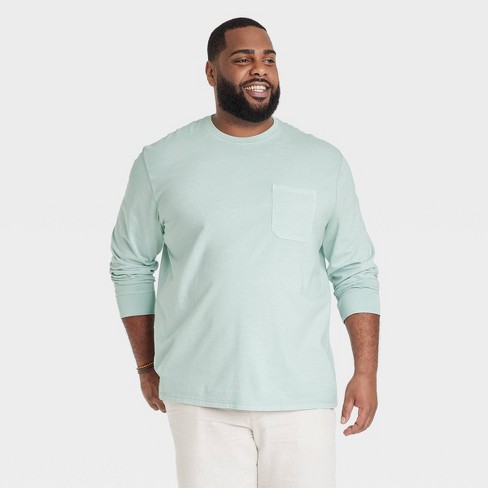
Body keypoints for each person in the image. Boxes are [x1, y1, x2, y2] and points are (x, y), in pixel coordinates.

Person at [109, 16, 380, 488]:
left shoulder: (322, 161)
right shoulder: (161, 161)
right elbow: (130, 265)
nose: (260, 69)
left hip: (300, 397)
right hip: (199, 397)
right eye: (243, 58)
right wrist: (146, 365)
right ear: (211, 72)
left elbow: (354, 271)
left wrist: (366, 371)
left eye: (269, 59)